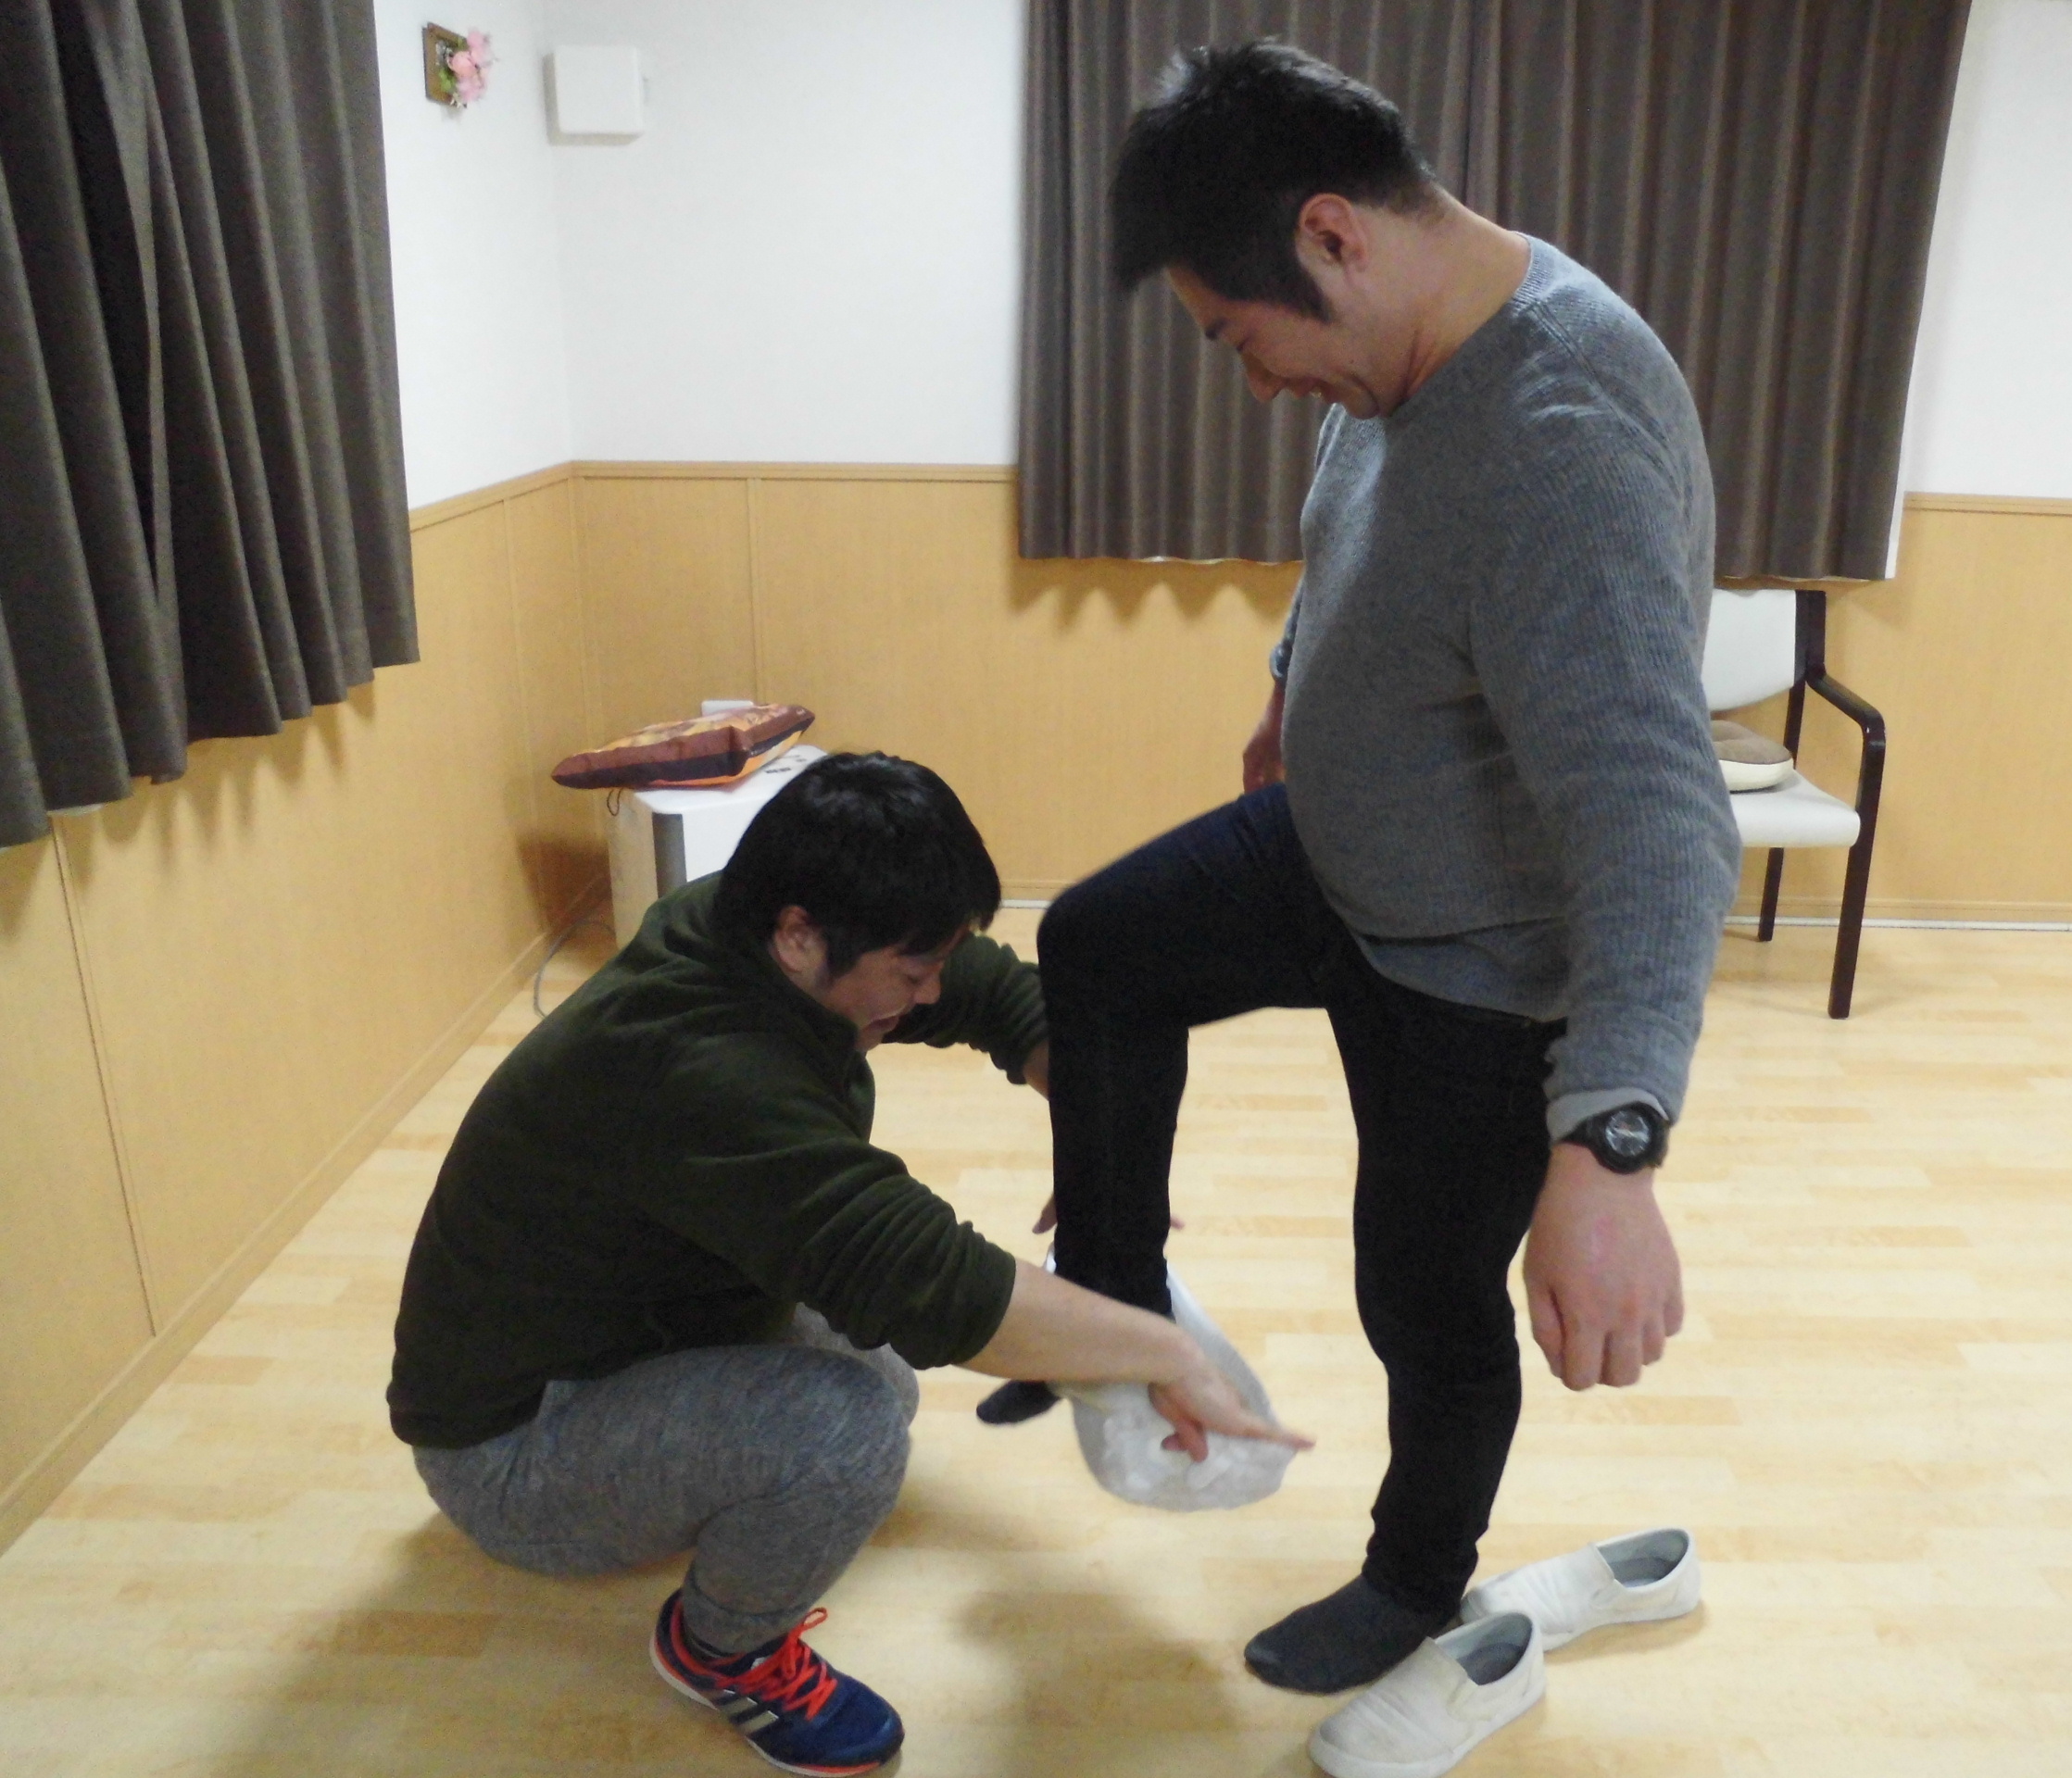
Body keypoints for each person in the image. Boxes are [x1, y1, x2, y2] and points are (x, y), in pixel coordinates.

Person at [974, 42, 1740, 1695]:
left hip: (1477, 959)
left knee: (1422, 1296)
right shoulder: (1404, 347)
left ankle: (1411, 1581)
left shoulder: (1558, 441)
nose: (1257, 385)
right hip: (1339, 846)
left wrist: (1611, 1146)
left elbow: (1658, 811)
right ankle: (1113, 1310)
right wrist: (1288, 692)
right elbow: (1355, 541)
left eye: (1240, 339)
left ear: (1333, 233)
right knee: (1100, 946)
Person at [387, 752, 1304, 1775]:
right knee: (846, 1432)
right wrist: (1168, 1352)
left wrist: (1096, 1146)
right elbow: (931, 1283)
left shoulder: (745, 928)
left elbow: (1003, 997)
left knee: (880, 1382)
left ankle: (709, 1499)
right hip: (513, 1447)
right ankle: (720, 1651)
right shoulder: (701, 1071)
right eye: (911, 973)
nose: (931, 991)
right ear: (799, 936)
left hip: (630, 1332)